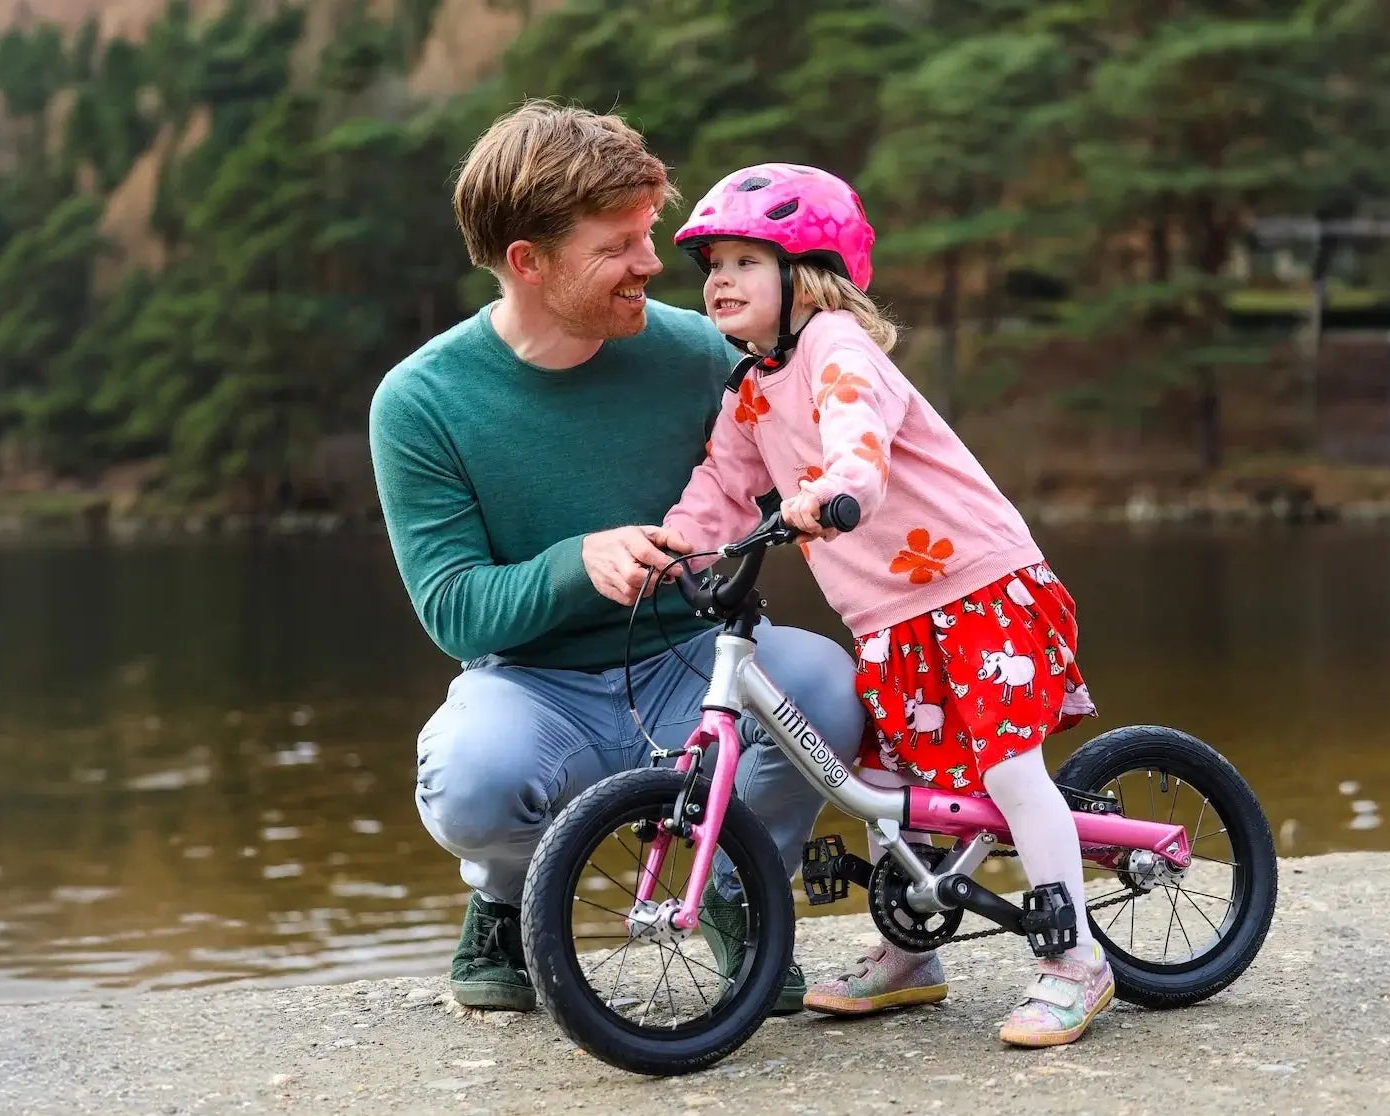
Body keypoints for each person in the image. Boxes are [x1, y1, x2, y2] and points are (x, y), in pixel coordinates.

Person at [368, 105, 865, 1014]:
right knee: (473, 781)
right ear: (528, 260)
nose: (653, 263)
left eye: (649, 235)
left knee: (827, 688)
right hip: (534, 686)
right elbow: (454, 611)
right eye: (619, 246)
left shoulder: (703, 355)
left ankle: (735, 884)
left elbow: (846, 412)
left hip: (697, 668)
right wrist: (578, 561)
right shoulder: (421, 401)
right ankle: (509, 898)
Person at [659, 163, 1113, 1048]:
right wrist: (677, 546)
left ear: (807, 276)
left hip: (979, 588)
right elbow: (721, 483)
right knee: (892, 790)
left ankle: (1076, 959)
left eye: (745, 260)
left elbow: (855, 436)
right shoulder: (750, 387)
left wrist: (841, 490)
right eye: (712, 262)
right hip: (888, 620)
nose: (718, 279)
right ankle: (912, 951)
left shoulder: (837, 345)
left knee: (1009, 769)